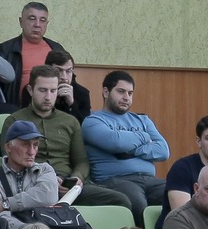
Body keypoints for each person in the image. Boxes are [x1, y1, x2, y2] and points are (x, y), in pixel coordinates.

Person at [0, 121, 109, 229]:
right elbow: (0, 219)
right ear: (8, 147)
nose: (31, 152)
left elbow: (47, 197)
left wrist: (5, 204)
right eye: (25, 145)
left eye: (35, 145)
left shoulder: (45, 169)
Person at [18, 66, 130, 213]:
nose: (48, 97)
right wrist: (47, 178)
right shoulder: (15, 121)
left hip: (68, 186)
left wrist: (77, 178)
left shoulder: (70, 122)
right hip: (33, 184)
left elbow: (82, 161)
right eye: (42, 90)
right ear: (30, 90)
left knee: (121, 201)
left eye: (53, 91)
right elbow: (11, 161)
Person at [80, 71, 169, 225]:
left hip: (150, 179)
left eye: (130, 93)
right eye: (121, 91)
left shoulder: (142, 120)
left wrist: (128, 149)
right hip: (115, 180)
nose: (126, 97)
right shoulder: (92, 121)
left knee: (178, 195)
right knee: (137, 203)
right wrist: (145, 137)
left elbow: (163, 151)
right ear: (106, 92)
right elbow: (116, 143)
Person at [0, 1, 70, 105]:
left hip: (52, 108)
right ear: (21, 21)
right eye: (32, 19)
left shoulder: (56, 49)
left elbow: (70, 79)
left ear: (47, 24)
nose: (37, 25)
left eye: (42, 20)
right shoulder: (6, 49)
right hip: (16, 108)